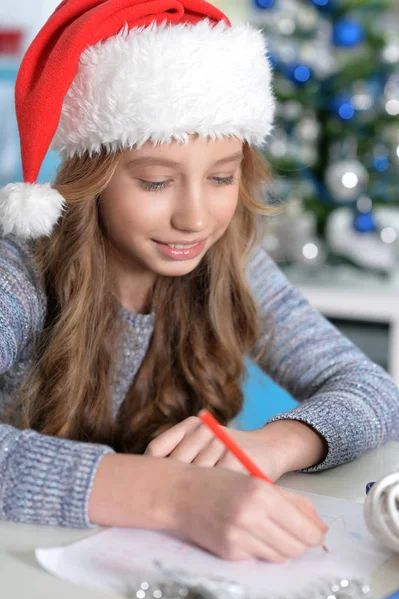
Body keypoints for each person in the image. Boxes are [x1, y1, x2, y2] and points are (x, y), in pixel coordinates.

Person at [0, 0, 398, 565]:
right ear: (93, 177)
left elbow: (374, 390)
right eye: (156, 181)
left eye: (221, 177)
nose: (195, 219)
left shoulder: (233, 260)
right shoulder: (18, 272)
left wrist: (270, 444)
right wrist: (176, 495)